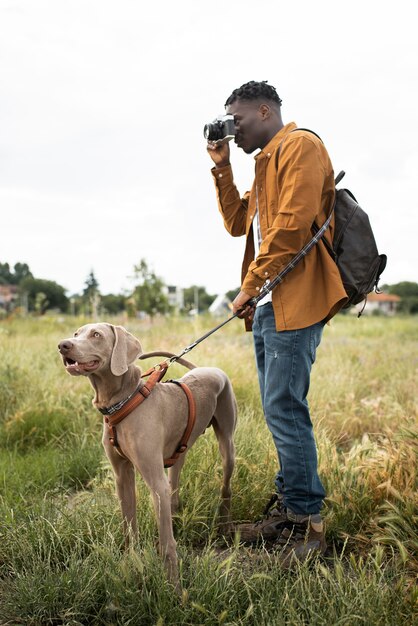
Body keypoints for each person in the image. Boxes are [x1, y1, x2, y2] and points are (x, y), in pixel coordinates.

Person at [207, 80, 347, 566]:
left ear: (265, 110)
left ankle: (308, 527)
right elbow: (236, 222)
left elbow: (290, 226)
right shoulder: (264, 163)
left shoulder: (300, 147)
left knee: (286, 409)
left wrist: (250, 284)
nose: (233, 131)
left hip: (295, 300)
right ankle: (290, 512)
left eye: (238, 122)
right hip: (270, 306)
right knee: (278, 409)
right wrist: (222, 168)